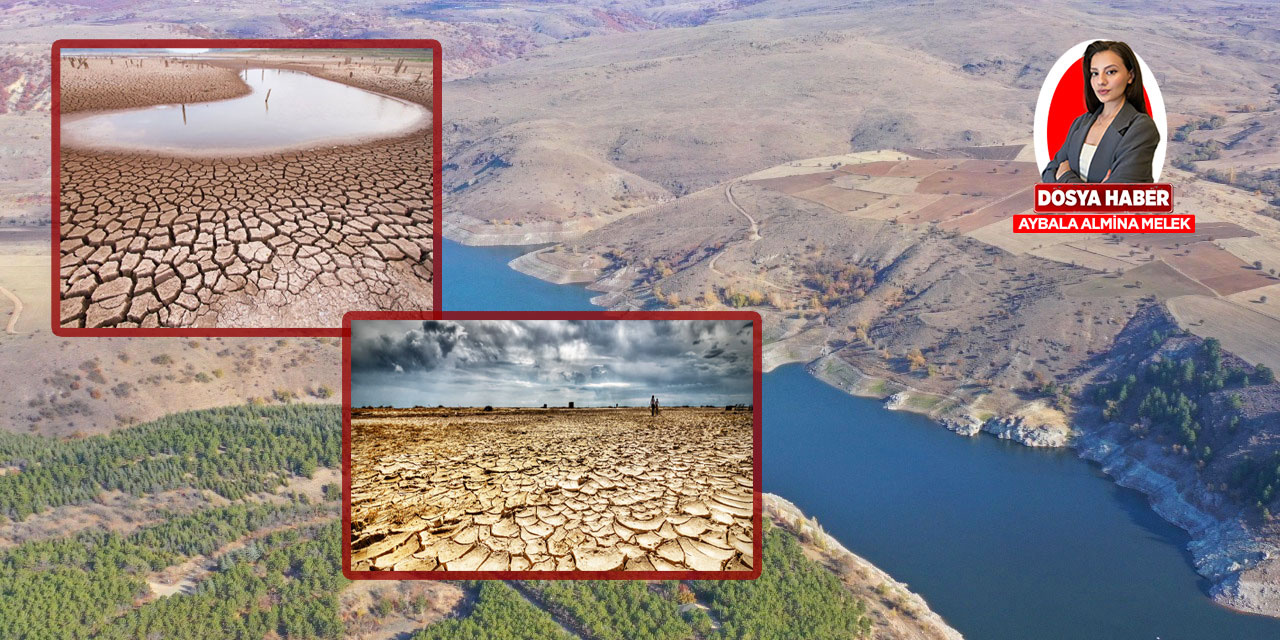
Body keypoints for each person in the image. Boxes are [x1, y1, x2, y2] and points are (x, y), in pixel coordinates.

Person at [1041, 40, 1160, 184]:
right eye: (1095, 73)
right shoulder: (1081, 122)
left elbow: (1113, 199)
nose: (1100, 81)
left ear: (1130, 75)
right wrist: (1094, 192)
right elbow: (1049, 172)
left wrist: (1065, 176)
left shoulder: (1141, 128)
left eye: (1111, 72)